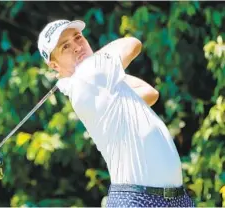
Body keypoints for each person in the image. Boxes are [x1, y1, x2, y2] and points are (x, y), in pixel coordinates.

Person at [37, 19, 194, 207]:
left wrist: (108, 72)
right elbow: (132, 44)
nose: (77, 47)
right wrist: (95, 62)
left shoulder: (98, 82)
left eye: (78, 38)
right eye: (65, 47)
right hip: (138, 199)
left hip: (173, 199)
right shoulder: (87, 76)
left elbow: (150, 93)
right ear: (55, 66)